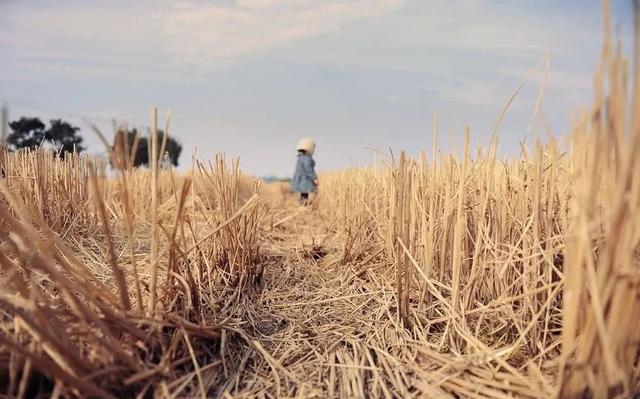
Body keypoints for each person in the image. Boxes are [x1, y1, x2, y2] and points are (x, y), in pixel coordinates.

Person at [291, 137, 317, 205]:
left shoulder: (300, 158)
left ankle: (302, 204)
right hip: (305, 180)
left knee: (303, 193)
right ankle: (304, 205)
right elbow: (309, 169)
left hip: (300, 179)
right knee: (305, 193)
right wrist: (314, 178)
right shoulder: (306, 159)